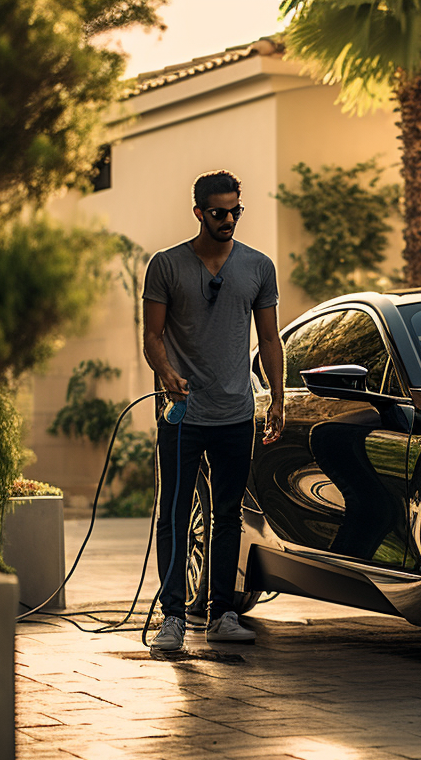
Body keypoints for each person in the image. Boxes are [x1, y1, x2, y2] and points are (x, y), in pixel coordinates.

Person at [142, 170, 286, 651]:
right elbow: (152, 336)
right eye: (219, 212)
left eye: (235, 212)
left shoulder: (258, 267)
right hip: (182, 414)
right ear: (200, 212)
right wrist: (165, 373)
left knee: (227, 514)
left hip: (235, 413)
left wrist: (278, 399)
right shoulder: (166, 266)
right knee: (175, 515)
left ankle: (221, 613)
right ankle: (173, 618)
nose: (228, 220)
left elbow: (269, 338)